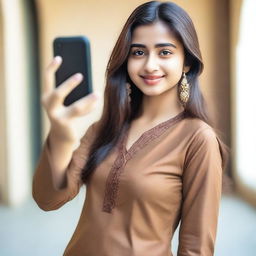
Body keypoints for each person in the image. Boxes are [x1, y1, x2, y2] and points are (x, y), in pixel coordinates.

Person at [32, 1, 229, 255]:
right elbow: (48, 199)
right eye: (138, 52)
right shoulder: (104, 128)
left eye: (165, 52)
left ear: (187, 62)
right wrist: (60, 132)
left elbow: (196, 247)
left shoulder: (198, 139)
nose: (149, 65)